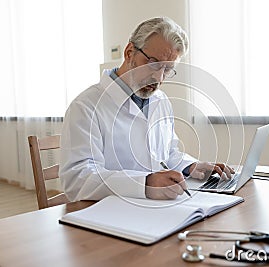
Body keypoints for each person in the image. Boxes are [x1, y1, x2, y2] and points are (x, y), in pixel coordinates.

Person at [60, 17, 234, 201]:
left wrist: (191, 167)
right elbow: (77, 180)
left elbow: (168, 153)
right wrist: (145, 183)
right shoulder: (86, 106)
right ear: (129, 53)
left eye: (167, 70)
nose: (158, 78)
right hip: (111, 213)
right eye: (153, 63)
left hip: (156, 207)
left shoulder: (161, 101)